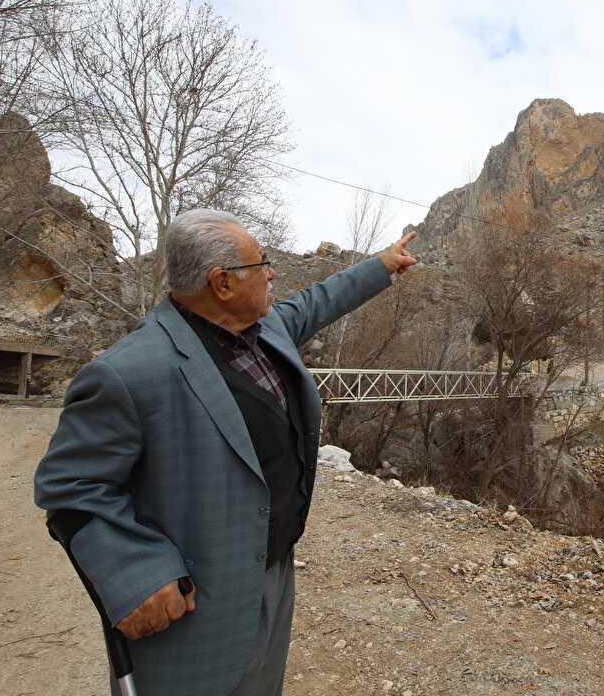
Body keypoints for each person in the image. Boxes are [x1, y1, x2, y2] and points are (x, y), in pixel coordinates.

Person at [34, 209, 417, 696]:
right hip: (199, 601)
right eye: (262, 264)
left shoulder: (264, 329)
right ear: (223, 284)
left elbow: (318, 302)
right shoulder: (129, 372)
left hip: (273, 572)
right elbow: (69, 488)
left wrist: (382, 265)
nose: (273, 272)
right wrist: (135, 574)